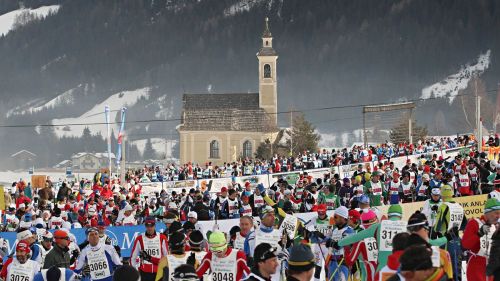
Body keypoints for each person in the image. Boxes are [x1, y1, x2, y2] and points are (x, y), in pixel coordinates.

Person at [462, 198, 500, 280]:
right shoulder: (474, 223)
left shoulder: (495, 226)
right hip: (476, 266)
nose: (498, 216)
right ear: (488, 212)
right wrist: (479, 234)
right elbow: (465, 244)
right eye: (496, 213)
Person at [325, 206, 354, 281]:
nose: (334, 219)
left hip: (342, 263)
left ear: (342, 217)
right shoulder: (335, 230)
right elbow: (329, 243)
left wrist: (333, 243)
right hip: (332, 263)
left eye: (335, 217)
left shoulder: (349, 231)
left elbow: (342, 244)